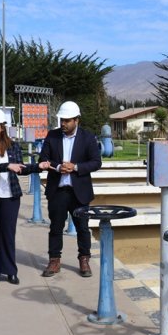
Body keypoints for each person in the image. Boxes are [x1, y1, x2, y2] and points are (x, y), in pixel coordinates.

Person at [0, 108, 50, 287]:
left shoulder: (13, 146)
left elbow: (20, 168)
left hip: (10, 197)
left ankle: (10, 270)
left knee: (8, 235)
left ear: (2, 127)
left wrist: (39, 166)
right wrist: (7, 165)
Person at [39, 101, 102, 278]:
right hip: (58, 191)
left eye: (67, 120)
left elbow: (96, 162)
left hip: (79, 192)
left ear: (77, 120)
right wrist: (59, 167)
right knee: (56, 227)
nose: (63, 124)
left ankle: (84, 259)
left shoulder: (88, 138)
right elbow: (44, 158)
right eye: (62, 120)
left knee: (82, 228)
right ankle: (54, 260)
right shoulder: (52, 136)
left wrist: (75, 167)